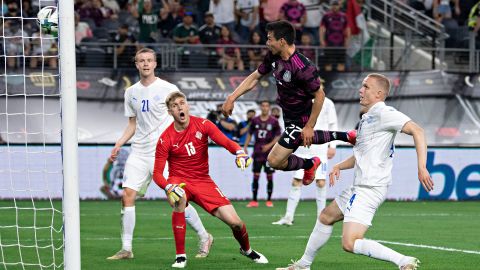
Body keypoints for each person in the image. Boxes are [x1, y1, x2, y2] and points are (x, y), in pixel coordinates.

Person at [276, 73, 434, 270]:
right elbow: (362, 154)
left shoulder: (384, 113)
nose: (360, 90)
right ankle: (303, 265)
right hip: (359, 186)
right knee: (326, 216)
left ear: (378, 94)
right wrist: (339, 166)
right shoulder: (368, 118)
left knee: (350, 243)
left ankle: (404, 261)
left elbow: (418, 131)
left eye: (366, 87)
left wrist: (422, 167)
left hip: (369, 188)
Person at [107, 48, 213, 260]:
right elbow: (132, 123)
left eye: (149, 60)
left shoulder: (168, 88)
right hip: (138, 151)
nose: (145, 64)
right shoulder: (131, 92)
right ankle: (126, 249)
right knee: (127, 195)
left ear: (155, 64)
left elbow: (182, 117)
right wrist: (119, 143)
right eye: (141, 61)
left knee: (175, 199)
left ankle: (204, 236)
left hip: (163, 152)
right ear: (136, 64)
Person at [221, 20, 356, 186]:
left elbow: (320, 95)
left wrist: (309, 126)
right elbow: (256, 76)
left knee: (274, 161)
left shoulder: (303, 67)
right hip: (288, 116)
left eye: (270, 39)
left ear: (282, 41)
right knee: (284, 154)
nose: (267, 43)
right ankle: (343, 139)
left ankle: (314, 160)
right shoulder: (273, 56)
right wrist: (231, 97)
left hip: (301, 118)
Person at [153, 91, 269, 268]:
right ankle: (180, 256)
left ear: (187, 105)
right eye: (174, 106)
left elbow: (226, 141)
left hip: (203, 181)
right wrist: (168, 186)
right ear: (170, 112)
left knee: (236, 223)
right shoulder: (165, 138)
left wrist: (239, 152)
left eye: (181, 103)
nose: (179, 108)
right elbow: (158, 174)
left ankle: (247, 250)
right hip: (179, 180)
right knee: (178, 198)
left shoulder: (203, 124)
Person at [273, 97, 337, 225]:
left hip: (320, 148)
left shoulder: (327, 102)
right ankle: (288, 217)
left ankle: (321, 217)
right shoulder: (299, 100)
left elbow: (333, 123)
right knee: (296, 181)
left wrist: (333, 146)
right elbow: (285, 123)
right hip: (301, 147)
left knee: (321, 182)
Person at [243, 101, 281, 208]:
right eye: (263, 106)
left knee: (269, 176)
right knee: (256, 176)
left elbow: (278, 136)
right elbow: (250, 134)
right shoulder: (255, 120)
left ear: (269, 108)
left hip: (269, 154)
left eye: (267, 106)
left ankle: (269, 200)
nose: (265, 108)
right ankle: (254, 200)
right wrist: (245, 147)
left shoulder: (274, 121)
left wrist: (269, 145)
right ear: (261, 107)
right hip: (257, 153)